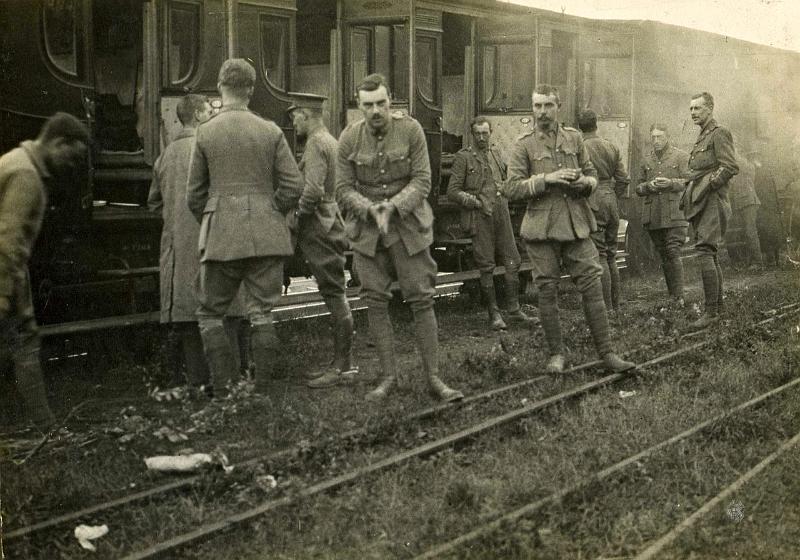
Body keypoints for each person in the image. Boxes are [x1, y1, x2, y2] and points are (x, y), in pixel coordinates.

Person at [336, 73, 463, 403]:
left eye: (381, 103)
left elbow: (423, 180)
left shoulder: (412, 130)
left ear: (391, 102)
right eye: (368, 105)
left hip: (407, 228)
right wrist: (369, 210)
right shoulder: (349, 138)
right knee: (375, 302)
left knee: (421, 299)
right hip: (367, 233)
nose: (376, 110)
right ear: (359, 106)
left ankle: (434, 378)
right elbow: (342, 188)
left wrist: (392, 208)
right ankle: (388, 377)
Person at [187, 59, 303, 396]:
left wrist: (213, 218)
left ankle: (225, 392)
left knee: (210, 313)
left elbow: (193, 195)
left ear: (220, 87)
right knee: (262, 312)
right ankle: (262, 389)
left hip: (221, 235)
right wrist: (271, 210)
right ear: (251, 90)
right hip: (266, 237)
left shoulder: (206, 132)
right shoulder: (270, 131)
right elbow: (293, 185)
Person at [504, 84, 634, 374]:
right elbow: (511, 188)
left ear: (558, 107)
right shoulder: (522, 144)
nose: (542, 112)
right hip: (541, 229)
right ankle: (556, 355)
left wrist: (585, 184)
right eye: (537, 106)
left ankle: (607, 353)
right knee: (547, 291)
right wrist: (547, 179)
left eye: (548, 106)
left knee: (592, 284)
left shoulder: (575, 139)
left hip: (577, 224)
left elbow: (592, 174)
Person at [148, 94, 247, 396]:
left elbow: (154, 203)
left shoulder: (166, 155)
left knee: (189, 317)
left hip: (181, 245)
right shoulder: (215, 148)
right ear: (200, 115)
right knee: (225, 311)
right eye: (209, 110)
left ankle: (197, 383)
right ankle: (229, 382)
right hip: (215, 239)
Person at [0, 112, 88, 429]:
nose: (71, 166)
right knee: (24, 342)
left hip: (10, 271)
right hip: (5, 271)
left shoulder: (15, 161)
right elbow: (8, 242)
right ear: (58, 142)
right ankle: (47, 429)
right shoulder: (26, 176)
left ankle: (45, 426)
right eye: (71, 156)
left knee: (20, 341)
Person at [287, 93, 357, 388]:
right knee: (335, 292)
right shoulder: (330, 140)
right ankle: (341, 365)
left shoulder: (316, 144)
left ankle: (343, 368)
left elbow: (313, 191)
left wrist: (295, 218)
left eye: (295, 117)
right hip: (331, 220)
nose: (293, 124)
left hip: (320, 226)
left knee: (334, 293)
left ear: (306, 114)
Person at [447, 116, 537, 330]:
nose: (481, 137)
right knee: (486, 265)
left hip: (501, 213)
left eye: (485, 133)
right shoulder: (464, 158)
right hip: (480, 216)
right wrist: (473, 201)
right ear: (472, 135)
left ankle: (514, 310)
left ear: (490, 133)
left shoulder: (496, 154)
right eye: (477, 133)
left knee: (513, 260)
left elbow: (505, 181)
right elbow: (452, 191)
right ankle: (494, 314)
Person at [682, 92, 738, 330]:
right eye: (691, 109)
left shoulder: (719, 133)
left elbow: (730, 166)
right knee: (710, 253)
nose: (693, 113)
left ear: (710, 109)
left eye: (698, 108)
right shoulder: (703, 135)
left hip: (713, 200)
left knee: (705, 251)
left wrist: (709, 185)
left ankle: (711, 312)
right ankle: (718, 309)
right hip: (703, 201)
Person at [577, 109, 630, 312]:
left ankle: (606, 308)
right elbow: (623, 179)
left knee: (598, 256)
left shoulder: (580, 148)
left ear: (579, 126)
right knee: (610, 255)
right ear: (596, 123)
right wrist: (612, 195)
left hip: (592, 201)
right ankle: (615, 306)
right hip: (610, 201)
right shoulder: (611, 146)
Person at [634, 124, 690, 303]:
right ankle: (672, 295)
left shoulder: (681, 156)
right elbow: (638, 187)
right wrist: (648, 186)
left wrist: (671, 183)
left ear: (668, 137)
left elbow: (690, 182)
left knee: (673, 251)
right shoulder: (646, 159)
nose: (656, 141)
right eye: (653, 137)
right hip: (654, 215)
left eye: (660, 137)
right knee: (664, 254)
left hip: (675, 213)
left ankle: (679, 296)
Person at [728, 149, 762, 269]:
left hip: (749, 202)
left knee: (750, 231)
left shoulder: (744, 163)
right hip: (740, 202)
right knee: (743, 233)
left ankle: (757, 262)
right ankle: (748, 261)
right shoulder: (737, 163)